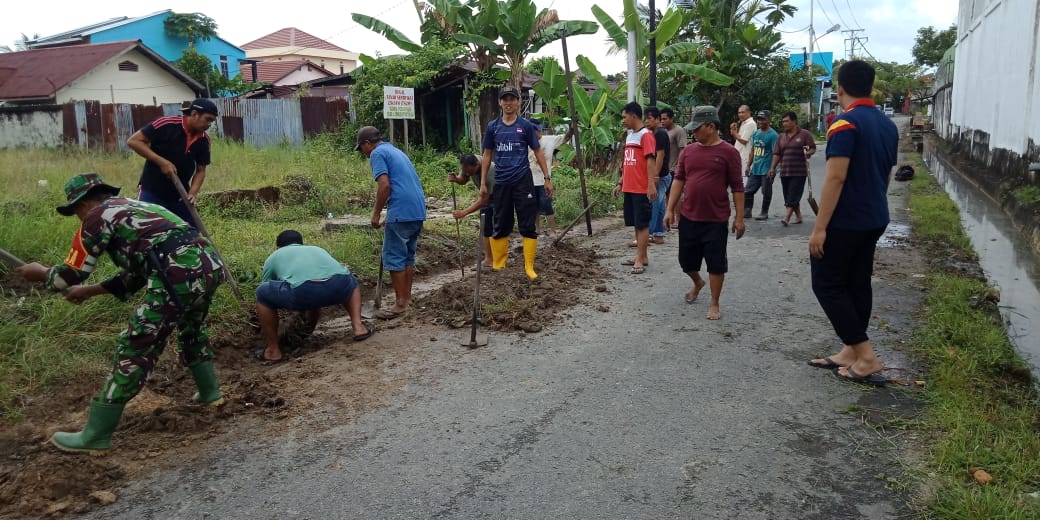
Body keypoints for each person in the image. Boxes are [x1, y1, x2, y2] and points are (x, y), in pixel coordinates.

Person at [15, 173, 225, 455]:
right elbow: (140, 271)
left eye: (76, 212)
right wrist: (90, 291)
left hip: (176, 273)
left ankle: (95, 436)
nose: (78, 218)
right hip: (206, 264)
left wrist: (40, 272)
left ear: (82, 204)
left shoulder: (96, 216)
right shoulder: (136, 207)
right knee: (192, 326)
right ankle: (211, 394)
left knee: (135, 346)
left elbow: (69, 275)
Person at [807, 60, 898, 386]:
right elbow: (886, 173)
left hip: (846, 221)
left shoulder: (844, 124)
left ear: (840, 88)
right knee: (857, 281)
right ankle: (851, 350)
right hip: (875, 217)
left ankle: (867, 356)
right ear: (871, 87)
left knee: (827, 284)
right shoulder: (887, 125)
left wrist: (820, 228)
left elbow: (835, 177)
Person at [666, 106, 745, 320]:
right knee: (686, 262)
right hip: (689, 217)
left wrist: (739, 218)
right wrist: (669, 209)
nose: (694, 133)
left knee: (716, 263)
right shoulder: (689, 151)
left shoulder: (729, 153)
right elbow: (679, 181)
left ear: (711, 127)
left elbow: (737, 187)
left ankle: (714, 302)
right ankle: (697, 282)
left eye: (697, 129)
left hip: (716, 219)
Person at [255, 230, 372, 363]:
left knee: (262, 293)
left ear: (278, 246)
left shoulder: (274, 256)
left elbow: (268, 285)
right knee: (351, 281)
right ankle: (358, 327)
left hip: (305, 291)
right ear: (301, 243)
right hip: (339, 285)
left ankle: (272, 350)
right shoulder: (316, 249)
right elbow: (324, 276)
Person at [479, 85, 551, 280]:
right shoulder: (493, 127)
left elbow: (538, 152)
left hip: (522, 181)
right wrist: (483, 182)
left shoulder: (526, 126)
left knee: (527, 224)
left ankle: (529, 267)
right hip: (501, 182)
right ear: (500, 102)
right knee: (500, 224)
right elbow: (486, 155)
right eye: (505, 99)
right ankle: (499, 265)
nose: (509, 103)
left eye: (512, 99)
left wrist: (547, 178)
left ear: (519, 102)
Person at [356, 126, 427, 319]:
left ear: (367, 144)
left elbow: (385, 185)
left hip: (402, 209)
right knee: (407, 257)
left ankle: (400, 303)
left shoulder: (377, 153)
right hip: (417, 209)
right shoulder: (395, 150)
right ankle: (407, 299)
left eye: (361, 148)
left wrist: (376, 214)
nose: (363, 152)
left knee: (395, 256)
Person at [127, 98, 219, 226]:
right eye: (207, 119)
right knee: (146, 229)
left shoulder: (204, 140)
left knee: (190, 232)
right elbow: (134, 141)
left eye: (212, 121)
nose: (209, 124)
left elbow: (201, 170)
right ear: (194, 114)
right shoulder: (166, 124)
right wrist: (162, 162)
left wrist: (192, 193)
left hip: (180, 195)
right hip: (152, 190)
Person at [612, 101, 658, 274]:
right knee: (636, 224)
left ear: (634, 115)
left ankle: (639, 259)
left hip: (641, 188)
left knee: (642, 224)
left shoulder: (646, 135)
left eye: (624, 117)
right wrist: (621, 182)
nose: (623, 120)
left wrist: (651, 184)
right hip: (629, 187)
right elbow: (627, 162)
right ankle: (642, 256)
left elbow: (650, 160)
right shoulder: (631, 135)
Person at [768, 112, 817, 226]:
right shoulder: (781, 136)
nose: (784, 123)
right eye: (783, 121)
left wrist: (808, 153)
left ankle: (787, 217)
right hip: (785, 171)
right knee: (788, 195)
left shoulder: (805, 134)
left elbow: (813, 148)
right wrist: (772, 168)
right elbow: (777, 154)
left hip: (799, 171)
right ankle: (799, 216)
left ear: (794, 122)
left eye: (786, 121)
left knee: (794, 193)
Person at [528, 119, 573, 238]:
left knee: (547, 206)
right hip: (529, 181)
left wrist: (572, 128)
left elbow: (566, 138)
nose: (533, 134)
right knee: (533, 207)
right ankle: (537, 229)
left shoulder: (550, 140)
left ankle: (553, 230)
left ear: (538, 130)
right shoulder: (526, 143)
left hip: (544, 181)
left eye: (535, 131)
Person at [449, 154, 494, 269]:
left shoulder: (489, 171)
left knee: (495, 226)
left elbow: (484, 199)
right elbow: (464, 179)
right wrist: (457, 179)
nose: (468, 174)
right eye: (465, 171)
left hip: (498, 194)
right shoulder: (468, 165)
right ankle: (489, 259)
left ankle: (497, 258)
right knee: (485, 227)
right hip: (486, 195)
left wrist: (464, 212)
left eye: (470, 172)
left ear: (477, 165)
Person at [644, 106, 671, 245]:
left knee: (653, 203)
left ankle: (647, 234)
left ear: (657, 119)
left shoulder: (660, 133)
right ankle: (659, 235)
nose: (646, 122)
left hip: (660, 176)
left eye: (649, 119)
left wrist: (654, 177)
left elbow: (660, 156)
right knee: (659, 206)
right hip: (663, 175)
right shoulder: (657, 133)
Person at [746, 110, 779, 220]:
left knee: (766, 191)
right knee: (748, 190)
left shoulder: (773, 135)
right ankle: (747, 211)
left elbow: (776, 153)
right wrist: (748, 165)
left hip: (767, 169)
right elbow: (753, 150)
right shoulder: (756, 133)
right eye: (759, 119)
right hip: (756, 168)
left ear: (769, 120)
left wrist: (772, 169)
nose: (760, 121)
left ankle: (764, 212)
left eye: (763, 119)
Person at [661, 108, 687, 231]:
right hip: (665, 168)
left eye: (665, 119)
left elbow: (683, 149)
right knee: (667, 195)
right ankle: (670, 218)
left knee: (675, 195)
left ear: (671, 118)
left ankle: (678, 219)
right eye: (661, 119)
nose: (662, 121)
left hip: (674, 167)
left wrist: (679, 166)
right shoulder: (662, 131)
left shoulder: (678, 131)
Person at [731, 105, 757, 216]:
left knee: (744, 184)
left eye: (742, 112)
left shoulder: (751, 124)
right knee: (740, 182)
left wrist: (733, 132)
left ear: (748, 113)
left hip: (745, 157)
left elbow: (744, 140)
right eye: (739, 112)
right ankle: (742, 208)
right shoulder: (744, 123)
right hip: (739, 156)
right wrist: (736, 131)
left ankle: (745, 209)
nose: (740, 114)